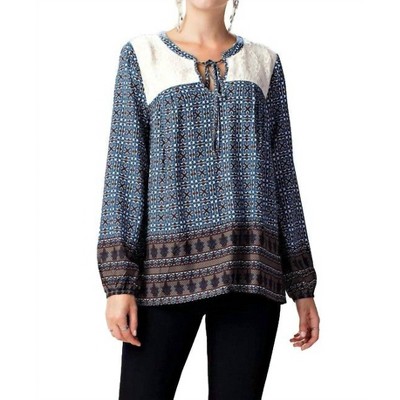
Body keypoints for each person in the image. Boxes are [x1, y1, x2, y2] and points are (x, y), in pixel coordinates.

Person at [96, 1, 320, 399]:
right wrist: (118, 283)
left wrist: (302, 285)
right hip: (165, 273)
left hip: (251, 270)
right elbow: (125, 170)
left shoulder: (264, 62)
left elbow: (283, 175)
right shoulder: (143, 56)